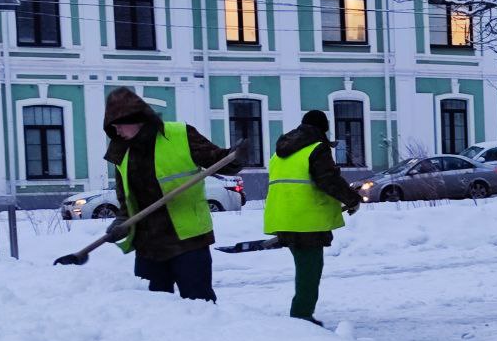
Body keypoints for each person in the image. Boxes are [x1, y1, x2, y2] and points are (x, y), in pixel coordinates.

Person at [103, 87, 240, 302]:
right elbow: (125, 197)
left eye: (119, 124)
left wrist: (235, 157)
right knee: (152, 309)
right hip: (148, 244)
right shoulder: (121, 151)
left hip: (188, 241)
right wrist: (122, 220)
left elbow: (217, 161)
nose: (117, 131)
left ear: (135, 119)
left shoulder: (179, 134)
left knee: (199, 304)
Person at [264, 110, 362, 325]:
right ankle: (301, 316)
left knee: (305, 267)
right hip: (306, 220)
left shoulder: (281, 152)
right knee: (310, 270)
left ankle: (301, 313)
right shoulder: (317, 148)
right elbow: (328, 180)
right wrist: (352, 199)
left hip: (283, 216)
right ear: (323, 128)